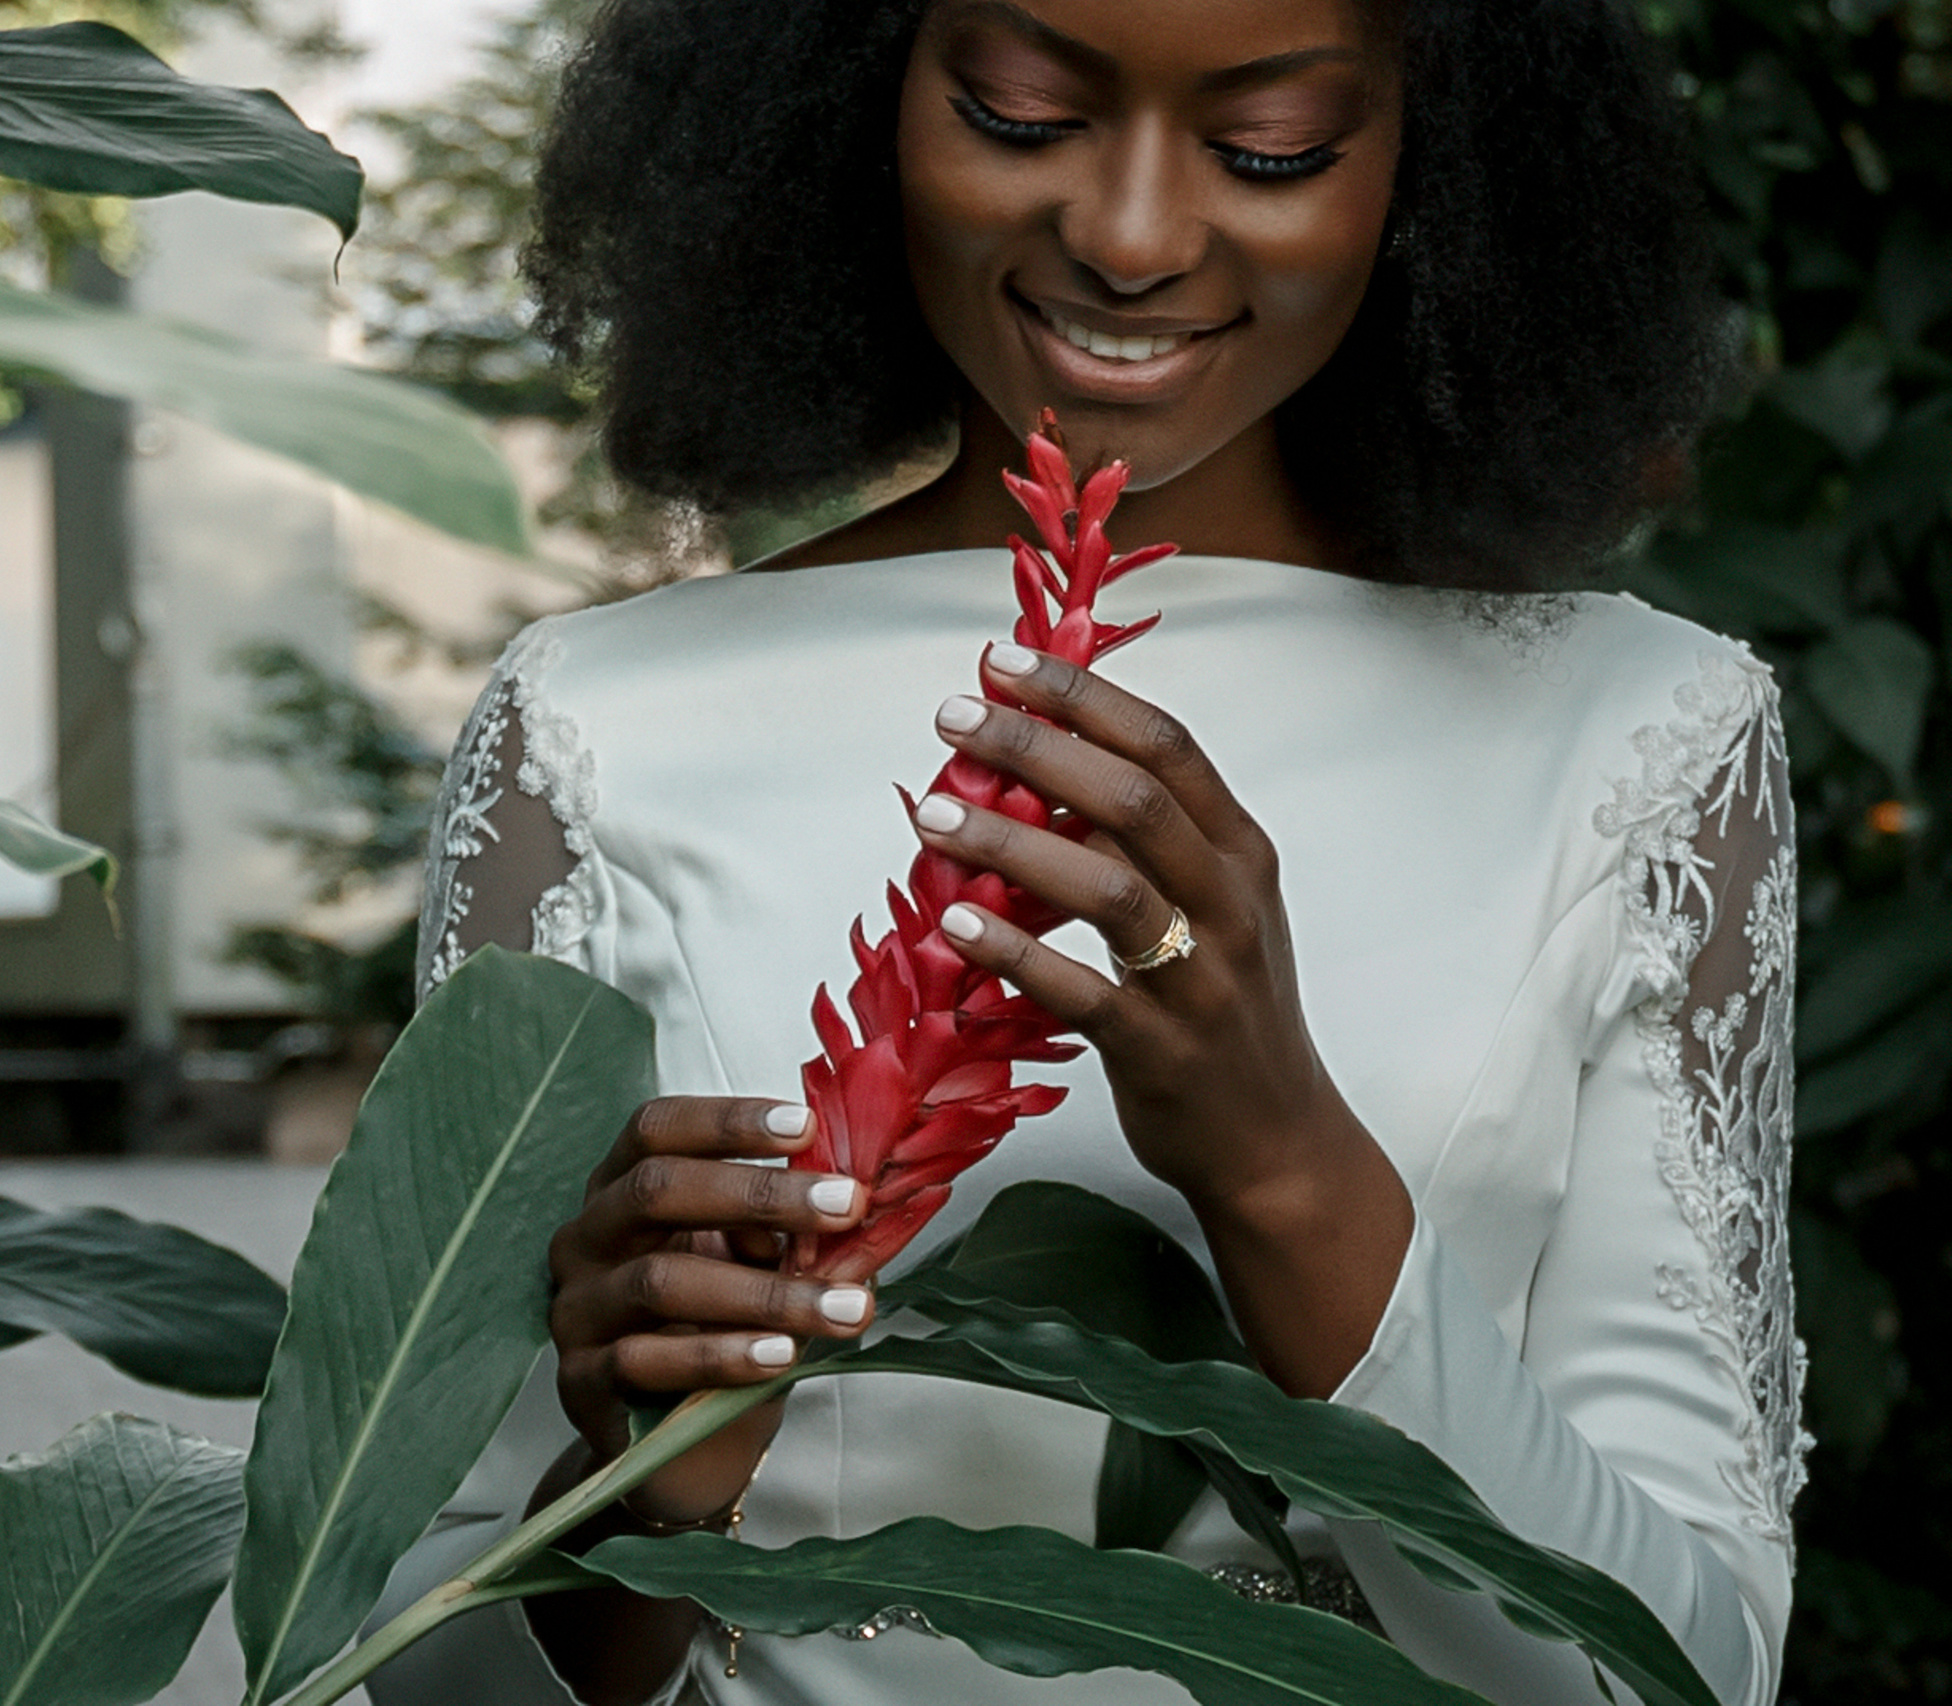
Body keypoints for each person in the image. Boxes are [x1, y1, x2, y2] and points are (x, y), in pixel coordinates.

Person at [371, 0, 1800, 1702]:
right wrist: (642, 1494)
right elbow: (404, 1654)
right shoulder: (595, 727)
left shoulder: (1646, 735)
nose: (1130, 238)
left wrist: (1285, 1175)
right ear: (852, 90)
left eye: (1271, 147)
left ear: (1442, 146)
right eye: (1023, 112)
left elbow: (1684, 1674)